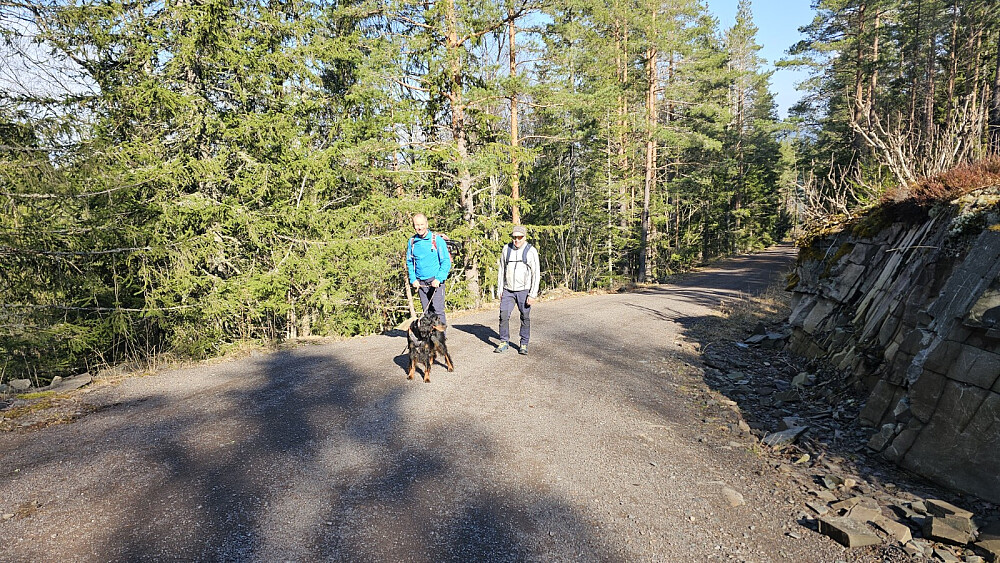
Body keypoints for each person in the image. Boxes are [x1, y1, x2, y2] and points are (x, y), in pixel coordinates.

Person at [494, 224, 540, 355]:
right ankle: (503, 341)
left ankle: (524, 343)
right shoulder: (506, 249)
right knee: (503, 315)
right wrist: (500, 289)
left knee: (525, 316)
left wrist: (532, 294)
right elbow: (501, 269)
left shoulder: (531, 251)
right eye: (514, 237)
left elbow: (536, 273)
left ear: (524, 237)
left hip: (524, 290)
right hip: (508, 289)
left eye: (520, 237)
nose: (517, 240)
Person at [406, 213, 452, 325]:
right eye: (417, 225)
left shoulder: (436, 240)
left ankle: (440, 340)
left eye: (422, 224)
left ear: (426, 224)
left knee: (438, 311)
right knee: (427, 313)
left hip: (436, 281)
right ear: (413, 226)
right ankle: (429, 340)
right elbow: (409, 262)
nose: (420, 227)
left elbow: (446, 261)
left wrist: (439, 278)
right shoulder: (412, 242)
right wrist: (413, 279)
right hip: (421, 283)